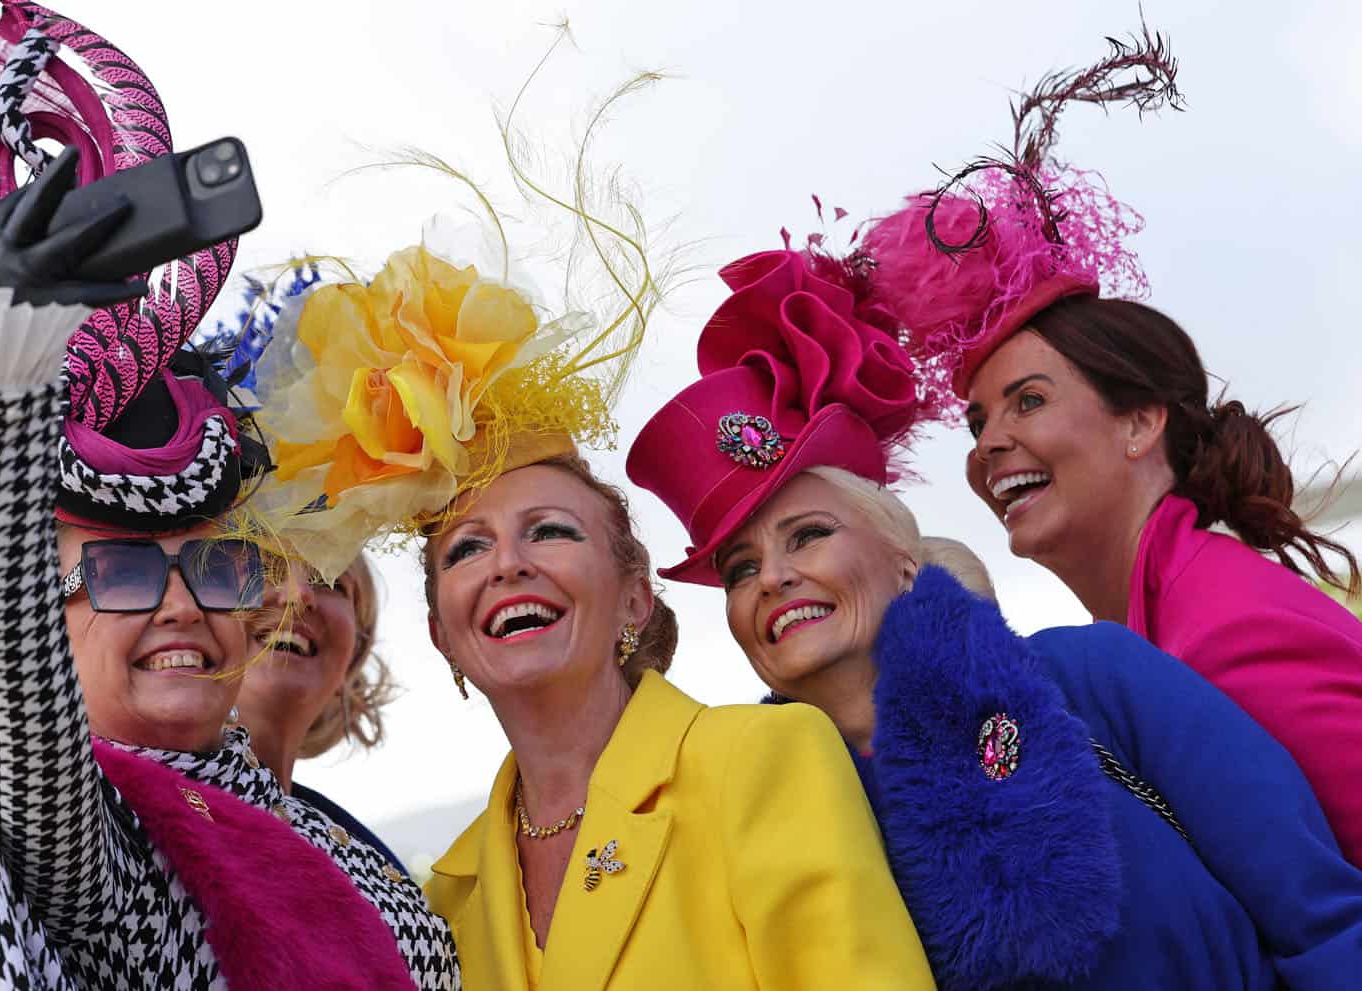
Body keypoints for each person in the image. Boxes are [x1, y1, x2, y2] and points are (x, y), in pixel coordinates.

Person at [238, 73, 934, 987]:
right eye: (467, 548)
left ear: (634, 595)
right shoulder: (440, 900)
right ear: (442, 633)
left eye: (550, 532)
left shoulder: (763, 762)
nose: (507, 564)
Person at [627, 236, 1362, 988]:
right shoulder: (756, 819)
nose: (773, 577)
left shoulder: (1092, 675)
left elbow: (1331, 925)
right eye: (740, 570)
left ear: (904, 560)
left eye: (809, 535)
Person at [0, 0, 459, 988]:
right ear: (43, 613)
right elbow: (6, 669)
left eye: (216, 566)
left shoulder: (342, 845)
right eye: (119, 572)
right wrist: (8, 353)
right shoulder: (86, 833)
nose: (184, 604)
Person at [854, 22, 1362, 881]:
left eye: (1028, 401)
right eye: (978, 420)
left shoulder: (1228, 627)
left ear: (1141, 423)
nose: (990, 444)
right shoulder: (1161, 621)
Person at [237, 554, 411, 871]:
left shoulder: (376, 871)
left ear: (353, 656)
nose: (299, 594)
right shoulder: (137, 816)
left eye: (329, 581)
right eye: (264, 568)